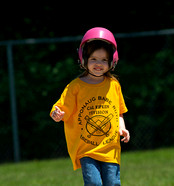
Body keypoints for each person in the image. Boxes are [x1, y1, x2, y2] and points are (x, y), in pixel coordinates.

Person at [50, 27, 130, 186]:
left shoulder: (114, 85)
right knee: (93, 183)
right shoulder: (75, 87)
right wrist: (57, 114)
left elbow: (119, 112)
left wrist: (122, 128)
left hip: (110, 147)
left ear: (112, 61)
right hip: (87, 149)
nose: (98, 64)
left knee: (113, 183)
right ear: (83, 58)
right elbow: (63, 109)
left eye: (104, 60)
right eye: (93, 59)